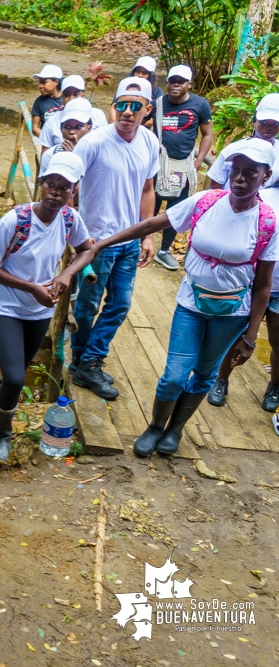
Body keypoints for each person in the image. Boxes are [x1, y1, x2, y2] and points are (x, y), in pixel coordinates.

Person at [89, 138, 276, 456]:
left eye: (250, 173)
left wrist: (251, 334)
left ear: (266, 176)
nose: (240, 178)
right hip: (192, 303)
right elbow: (151, 223)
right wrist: (101, 243)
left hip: (232, 312)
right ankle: (156, 426)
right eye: (236, 171)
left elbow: (263, 285)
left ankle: (176, 429)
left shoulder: (268, 223)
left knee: (204, 373)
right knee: (175, 375)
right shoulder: (206, 201)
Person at [0, 153, 95, 463]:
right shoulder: (16, 220)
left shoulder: (70, 219)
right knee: (15, 377)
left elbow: (87, 249)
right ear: (41, 185)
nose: (56, 193)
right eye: (50, 185)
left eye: (64, 188)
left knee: (16, 373)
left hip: (40, 312)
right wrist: (31, 287)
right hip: (6, 307)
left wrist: (66, 274)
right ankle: (0, 435)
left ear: (74, 190)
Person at [70, 77, 160, 400]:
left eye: (135, 106)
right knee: (87, 304)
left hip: (129, 240)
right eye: (121, 104)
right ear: (114, 106)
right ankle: (80, 360)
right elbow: (69, 186)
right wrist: (76, 232)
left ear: (147, 110)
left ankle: (89, 360)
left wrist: (147, 236)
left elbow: (147, 191)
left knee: (119, 305)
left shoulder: (150, 143)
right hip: (96, 242)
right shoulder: (93, 142)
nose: (127, 112)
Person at [208, 171, 279, 411]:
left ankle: (274, 387)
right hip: (250, 282)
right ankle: (222, 380)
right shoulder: (264, 197)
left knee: (278, 341)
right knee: (236, 335)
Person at [149, 65, 214, 271]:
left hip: (183, 166)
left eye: (181, 81)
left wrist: (197, 162)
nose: (176, 84)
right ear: (167, 82)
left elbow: (207, 134)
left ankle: (163, 250)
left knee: (176, 210)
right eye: (172, 81)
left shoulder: (200, 105)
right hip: (158, 163)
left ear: (189, 84)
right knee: (151, 204)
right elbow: (142, 122)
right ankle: (142, 241)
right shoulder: (158, 103)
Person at [207, 93, 279, 190]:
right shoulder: (233, 149)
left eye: (275, 123)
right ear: (254, 121)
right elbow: (215, 186)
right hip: (229, 202)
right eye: (264, 122)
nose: (269, 128)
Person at [39, 76, 106, 151]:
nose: (71, 99)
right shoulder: (51, 122)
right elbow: (45, 156)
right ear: (62, 97)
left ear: (83, 95)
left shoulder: (97, 115)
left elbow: (104, 147)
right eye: (67, 95)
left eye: (76, 95)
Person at [40, 99, 93, 174]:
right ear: (61, 130)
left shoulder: (97, 154)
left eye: (78, 127)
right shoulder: (50, 156)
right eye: (67, 127)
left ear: (89, 128)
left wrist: (76, 155)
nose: (71, 132)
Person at [111, 56, 163, 124]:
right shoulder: (125, 87)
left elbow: (156, 119)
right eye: (138, 71)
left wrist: (132, 122)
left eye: (144, 73)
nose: (140, 75)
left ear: (150, 75)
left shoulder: (157, 92)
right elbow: (113, 110)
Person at [31, 64, 63, 138]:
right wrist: (49, 140)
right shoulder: (39, 102)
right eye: (40, 82)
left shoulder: (67, 98)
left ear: (56, 82)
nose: (40, 86)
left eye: (44, 82)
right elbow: (35, 128)